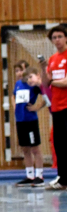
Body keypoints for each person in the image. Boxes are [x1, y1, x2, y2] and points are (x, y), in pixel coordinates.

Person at [42, 25, 67, 190]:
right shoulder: (52, 59)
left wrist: (52, 82)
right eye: (54, 37)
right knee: (59, 143)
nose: (57, 40)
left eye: (59, 36)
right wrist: (43, 69)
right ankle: (63, 179)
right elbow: (45, 83)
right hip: (56, 108)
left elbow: (65, 83)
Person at [14, 66, 46, 186]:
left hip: (30, 120)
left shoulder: (34, 86)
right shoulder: (18, 84)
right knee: (25, 149)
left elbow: (46, 94)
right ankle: (30, 175)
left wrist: (37, 107)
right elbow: (14, 96)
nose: (28, 80)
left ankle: (39, 176)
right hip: (20, 120)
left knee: (35, 148)